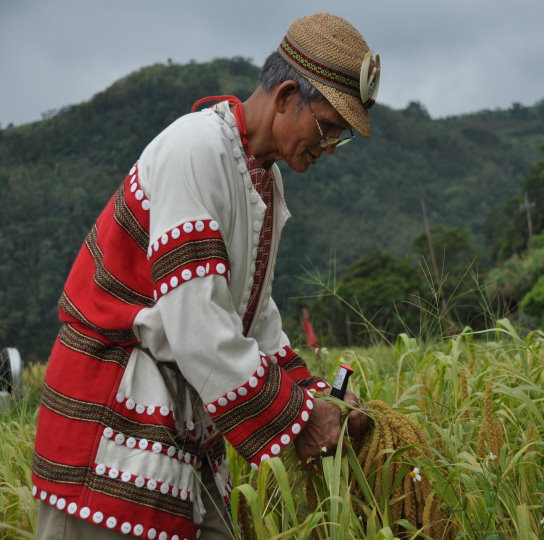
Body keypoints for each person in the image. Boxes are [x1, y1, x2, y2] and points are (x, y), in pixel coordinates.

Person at [32, 13, 379, 540]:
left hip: (176, 421)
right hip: (112, 421)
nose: (330, 145)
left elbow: (252, 319)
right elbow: (197, 327)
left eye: (341, 135)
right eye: (328, 126)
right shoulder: (197, 150)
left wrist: (311, 392)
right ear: (286, 96)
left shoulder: (263, 180)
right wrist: (302, 418)